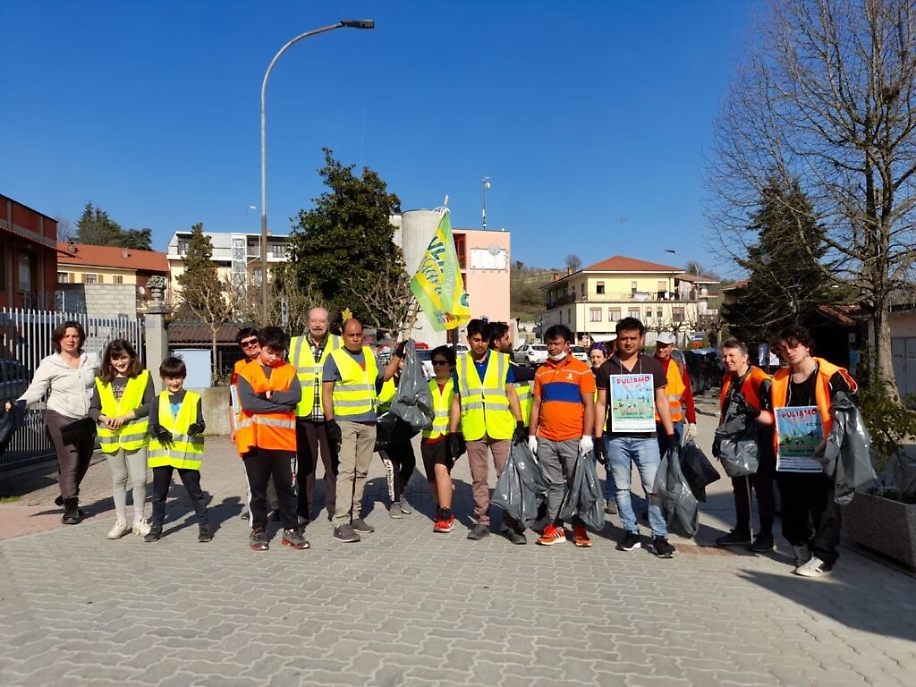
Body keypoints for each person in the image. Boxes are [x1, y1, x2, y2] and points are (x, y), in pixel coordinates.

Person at [770, 325, 857, 578]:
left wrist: (831, 439)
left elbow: (850, 408)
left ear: (807, 345)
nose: (789, 351)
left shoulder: (832, 375)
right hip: (790, 454)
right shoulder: (779, 379)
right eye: (784, 348)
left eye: (794, 345)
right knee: (791, 507)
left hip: (825, 453)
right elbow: (773, 414)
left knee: (824, 507)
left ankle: (824, 557)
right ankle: (800, 545)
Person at [594, 317, 678, 558]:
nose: (628, 342)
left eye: (633, 338)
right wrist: (599, 437)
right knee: (621, 488)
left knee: (653, 488)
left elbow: (661, 400)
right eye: (623, 338)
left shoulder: (652, 366)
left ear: (641, 339)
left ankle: (659, 535)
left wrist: (671, 433)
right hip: (617, 438)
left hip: (647, 437)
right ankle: (630, 531)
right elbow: (601, 404)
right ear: (617, 340)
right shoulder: (607, 368)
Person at [9, 321, 100, 525]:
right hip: (59, 416)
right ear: (58, 339)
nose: (71, 339)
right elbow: (36, 390)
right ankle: (70, 508)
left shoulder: (91, 359)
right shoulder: (50, 363)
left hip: (85, 419)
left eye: (75, 335)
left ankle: (66, 492)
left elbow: (104, 381)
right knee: (71, 460)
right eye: (66, 336)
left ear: (81, 338)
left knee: (85, 460)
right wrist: (20, 403)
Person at [322, 318, 402, 543]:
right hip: (345, 422)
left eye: (359, 335)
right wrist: (330, 422)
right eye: (351, 335)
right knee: (347, 471)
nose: (356, 339)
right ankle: (340, 521)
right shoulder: (334, 358)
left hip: (369, 420)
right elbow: (326, 392)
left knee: (362, 471)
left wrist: (398, 356)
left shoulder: (369, 354)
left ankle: (355, 515)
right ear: (343, 335)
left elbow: (383, 377)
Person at [449, 319, 527, 544]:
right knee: (478, 478)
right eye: (475, 340)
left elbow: (511, 394)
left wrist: (520, 422)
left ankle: (510, 523)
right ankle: (482, 521)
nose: (480, 344)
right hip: (474, 428)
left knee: (506, 477)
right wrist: (453, 433)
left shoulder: (502, 362)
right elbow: (457, 400)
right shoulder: (461, 365)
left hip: (501, 427)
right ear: (469, 340)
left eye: (483, 340)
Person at [235, 326, 308, 551]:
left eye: (279, 353)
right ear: (260, 348)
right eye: (270, 352)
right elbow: (248, 403)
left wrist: (270, 396)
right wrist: (281, 405)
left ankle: (290, 530)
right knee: (258, 490)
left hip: (283, 442)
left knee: (287, 488)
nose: (274, 358)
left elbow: (296, 396)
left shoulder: (288, 370)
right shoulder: (245, 371)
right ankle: (258, 530)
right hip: (255, 441)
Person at [528, 325, 596, 547]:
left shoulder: (582, 370)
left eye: (556, 343)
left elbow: (589, 405)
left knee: (576, 484)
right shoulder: (541, 372)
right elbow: (536, 405)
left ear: (567, 345)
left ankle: (579, 525)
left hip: (573, 438)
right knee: (554, 484)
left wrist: (587, 436)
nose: (552, 348)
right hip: (546, 438)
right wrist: (532, 435)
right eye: (549, 343)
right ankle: (556, 526)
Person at [89, 339, 156, 539]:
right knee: (119, 479)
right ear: (109, 360)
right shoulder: (101, 380)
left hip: (135, 435)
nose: (120, 362)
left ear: (131, 357)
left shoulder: (143, 376)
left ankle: (139, 519)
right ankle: (120, 521)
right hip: (111, 437)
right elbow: (93, 408)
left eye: (124, 357)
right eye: (115, 358)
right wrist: (104, 418)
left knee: (140, 479)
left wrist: (127, 417)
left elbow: (151, 403)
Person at [716, 338, 776, 553]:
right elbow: (726, 410)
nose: (727, 359)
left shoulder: (761, 380)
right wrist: (719, 437)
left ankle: (766, 535)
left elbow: (774, 413)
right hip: (736, 442)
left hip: (759, 441)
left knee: (762, 489)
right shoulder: (728, 379)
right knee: (740, 488)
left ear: (745, 357)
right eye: (724, 356)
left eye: (732, 355)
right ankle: (742, 530)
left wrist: (755, 414)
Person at [144, 356, 210, 543]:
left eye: (178, 377)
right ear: (163, 379)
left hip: (186, 455)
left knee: (195, 492)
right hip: (163, 455)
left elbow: (200, 421)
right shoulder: (157, 401)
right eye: (170, 378)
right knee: (158, 495)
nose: (175, 382)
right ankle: (156, 527)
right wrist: (157, 430)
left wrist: (199, 426)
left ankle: (204, 526)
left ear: (184, 377)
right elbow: (151, 425)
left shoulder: (193, 399)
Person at [288, 307, 341, 523]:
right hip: (304, 416)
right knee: (306, 468)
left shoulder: (339, 343)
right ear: (307, 322)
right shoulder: (294, 344)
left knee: (333, 467)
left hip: (331, 417)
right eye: (314, 320)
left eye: (322, 321)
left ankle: (335, 510)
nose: (317, 324)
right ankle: (304, 512)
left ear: (328, 323)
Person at [231, 327, 277, 522]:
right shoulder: (238, 367)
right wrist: (233, 427)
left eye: (253, 342)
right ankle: (256, 505)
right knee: (252, 467)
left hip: (271, 422)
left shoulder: (271, 362)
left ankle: (277, 506)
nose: (250, 346)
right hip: (247, 424)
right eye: (245, 344)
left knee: (274, 468)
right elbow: (232, 398)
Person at [422, 346, 458, 533]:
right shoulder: (426, 386)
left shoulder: (457, 386)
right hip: (428, 436)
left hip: (449, 436)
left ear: (450, 365)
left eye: (441, 362)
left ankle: (446, 514)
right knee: (432, 479)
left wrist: (455, 434)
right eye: (434, 362)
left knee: (441, 469)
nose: (437, 366)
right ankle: (440, 506)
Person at [377, 365, 417, 518]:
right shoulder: (384, 380)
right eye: (400, 361)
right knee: (392, 467)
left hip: (400, 432)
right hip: (384, 433)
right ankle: (395, 502)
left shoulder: (408, 381)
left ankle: (400, 493)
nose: (402, 364)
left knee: (410, 462)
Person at [653, 332, 698, 454]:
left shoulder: (678, 368)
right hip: (654, 423)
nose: (661, 349)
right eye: (659, 345)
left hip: (675, 422)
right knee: (656, 462)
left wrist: (692, 421)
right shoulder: (649, 365)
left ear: (671, 346)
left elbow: (687, 395)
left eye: (665, 346)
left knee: (674, 460)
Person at [589, 343, 617, 514]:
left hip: (609, 428)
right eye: (592, 356)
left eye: (598, 356)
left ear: (605, 357)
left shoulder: (611, 375)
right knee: (589, 465)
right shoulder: (585, 376)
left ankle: (611, 498)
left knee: (611, 465)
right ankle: (592, 498)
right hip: (590, 428)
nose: (595, 360)